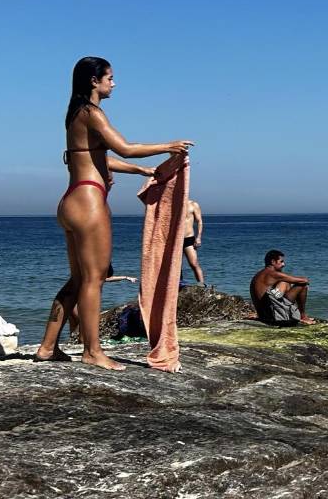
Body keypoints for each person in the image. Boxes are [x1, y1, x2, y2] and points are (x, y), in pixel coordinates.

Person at [33, 57, 194, 369]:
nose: (113, 83)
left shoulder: (75, 114)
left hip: (71, 200)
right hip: (90, 203)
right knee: (95, 279)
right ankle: (93, 352)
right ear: (94, 80)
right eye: (109, 77)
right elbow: (124, 147)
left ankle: (47, 347)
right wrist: (169, 146)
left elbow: (96, 159)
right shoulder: (92, 113)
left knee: (79, 279)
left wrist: (141, 170)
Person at [250, 250, 315, 326]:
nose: (284, 264)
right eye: (281, 261)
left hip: (263, 316)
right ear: (273, 262)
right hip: (273, 317)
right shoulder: (273, 274)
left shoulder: (259, 274)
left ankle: (290, 311)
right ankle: (303, 316)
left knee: (285, 282)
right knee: (302, 285)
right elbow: (304, 280)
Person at [182, 198, 205, 284]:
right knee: (175, 266)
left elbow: (199, 221)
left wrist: (198, 237)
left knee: (194, 263)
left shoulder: (193, 204)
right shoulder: (173, 204)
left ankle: (202, 285)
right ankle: (178, 285)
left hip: (188, 238)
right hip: (176, 240)